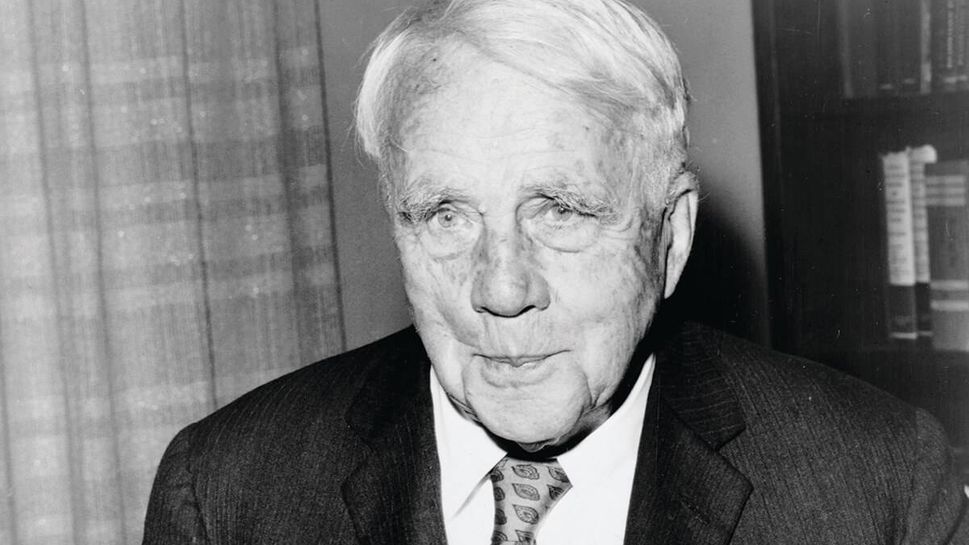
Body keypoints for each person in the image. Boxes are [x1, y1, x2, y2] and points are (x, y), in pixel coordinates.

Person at [143, 0, 969, 543]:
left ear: (670, 237)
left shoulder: (876, 488)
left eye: (560, 211)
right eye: (445, 214)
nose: (500, 289)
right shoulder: (226, 494)